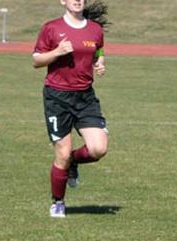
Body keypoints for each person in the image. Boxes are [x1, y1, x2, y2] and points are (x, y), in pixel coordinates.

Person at [33, 0, 110, 218]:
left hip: (85, 97)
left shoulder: (95, 29)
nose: (77, 1)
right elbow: (37, 60)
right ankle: (58, 202)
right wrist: (57, 51)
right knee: (62, 153)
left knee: (98, 149)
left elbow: (98, 51)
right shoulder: (52, 28)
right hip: (57, 97)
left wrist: (100, 63)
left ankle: (74, 162)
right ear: (63, 1)